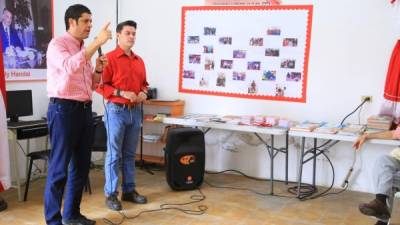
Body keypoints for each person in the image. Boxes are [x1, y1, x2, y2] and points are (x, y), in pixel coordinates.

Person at [45, 4, 111, 225]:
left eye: (91, 21)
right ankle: (53, 221)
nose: (90, 25)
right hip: (63, 111)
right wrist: (96, 44)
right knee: (58, 170)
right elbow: (69, 67)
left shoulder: (84, 49)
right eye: (85, 21)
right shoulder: (58, 44)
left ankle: (71, 215)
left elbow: (90, 86)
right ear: (71, 22)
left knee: (81, 168)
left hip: (84, 111)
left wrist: (98, 70)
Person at [96, 20, 148, 211]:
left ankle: (129, 191)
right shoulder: (108, 59)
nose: (132, 37)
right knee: (114, 154)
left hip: (135, 112)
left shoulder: (139, 60)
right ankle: (111, 194)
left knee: (129, 154)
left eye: (134, 33)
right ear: (118, 35)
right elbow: (100, 86)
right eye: (128, 33)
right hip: (116, 112)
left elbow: (145, 84)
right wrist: (121, 93)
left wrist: (144, 92)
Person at [353, 128, 400, 225]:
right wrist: (366, 136)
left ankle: (382, 220)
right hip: (397, 160)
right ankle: (380, 202)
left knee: (386, 179)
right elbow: (393, 133)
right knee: (382, 161)